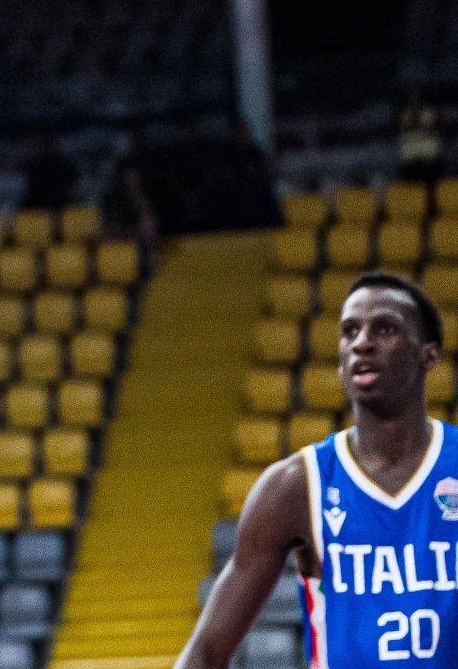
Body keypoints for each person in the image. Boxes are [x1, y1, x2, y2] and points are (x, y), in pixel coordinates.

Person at [176, 272, 458, 666]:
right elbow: (205, 650)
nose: (362, 343)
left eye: (385, 329)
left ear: (428, 356)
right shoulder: (294, 485)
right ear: (341, 364)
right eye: (350, 331)